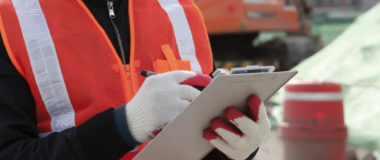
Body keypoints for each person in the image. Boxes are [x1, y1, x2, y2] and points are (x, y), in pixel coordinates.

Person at [0, 0, 271, 159]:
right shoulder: (9, 20)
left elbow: (196, 139)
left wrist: (235, 147)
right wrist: (123, 127)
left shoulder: (181, 11)